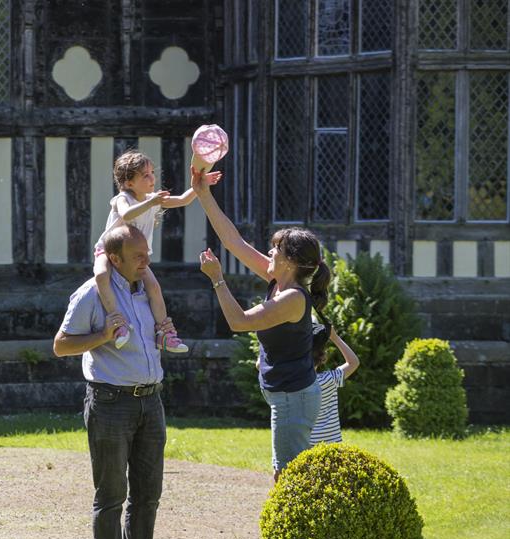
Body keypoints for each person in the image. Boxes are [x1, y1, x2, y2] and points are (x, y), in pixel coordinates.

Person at [54, 223, 178, 539]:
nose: (147, 261)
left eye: (147, 254)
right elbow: (61, 345)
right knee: (111, 493)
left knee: (148, 491)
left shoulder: (148, 292)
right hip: (110, 402)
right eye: (138, 256)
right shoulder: (92, 293)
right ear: (114, 259)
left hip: (151, 399)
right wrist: (102, 336)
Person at [191, 167, 332, 480]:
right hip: (286, 395)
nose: (269, 251)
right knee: (286, 472)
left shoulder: (292, 298)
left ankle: (299, 529)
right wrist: (203, 194)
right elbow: (233, 241)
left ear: (291, 261)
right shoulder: (277, 279)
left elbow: (239, 322)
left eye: (276, 248)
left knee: (288, 477)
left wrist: (217, 280)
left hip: (293, 398)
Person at [93, 151, 222, 353]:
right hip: (109, 252)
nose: (152, 178)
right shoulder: (123, 198)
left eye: (152, 172)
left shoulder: (152, 199)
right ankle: (119, 325)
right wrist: (151, 203)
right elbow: (127, 213)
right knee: (101, 275)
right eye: (145, 175)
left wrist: (200, 184)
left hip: (136, 259)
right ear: (128, 183)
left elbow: (183, 200)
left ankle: (164, 334)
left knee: (154, 288)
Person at [309, 322, 361, 445]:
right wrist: (335, 337)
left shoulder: (295, 383)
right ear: (322, 357)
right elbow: (354, 362)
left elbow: (260, 366)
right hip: (332, 447)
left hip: (305, 447)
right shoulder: (329, 380)